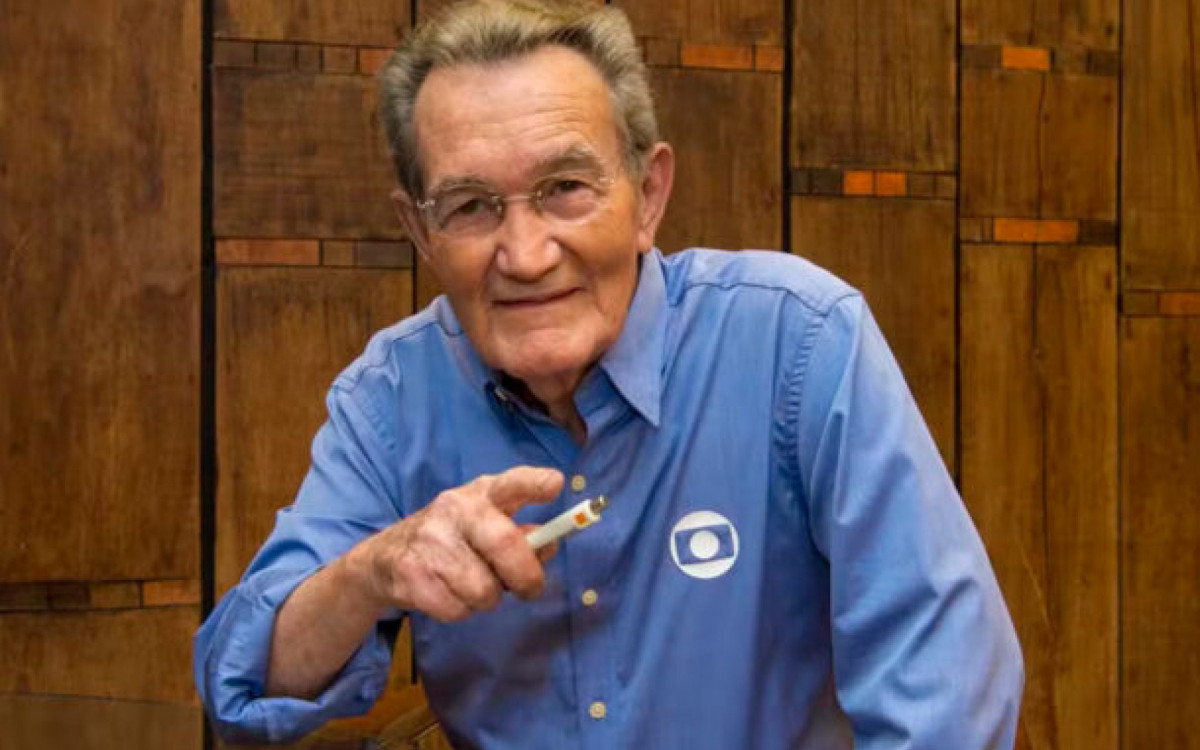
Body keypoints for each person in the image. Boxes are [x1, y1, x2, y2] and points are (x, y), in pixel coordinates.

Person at [194, 1, 1024, 747]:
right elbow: (241, 682)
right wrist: (372, 571)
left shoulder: (800, 344)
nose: (525, 256)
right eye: (472, 206)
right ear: (419, 232)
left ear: (648, 195)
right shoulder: (391, 399)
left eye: (565, 188)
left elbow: (946, 696)